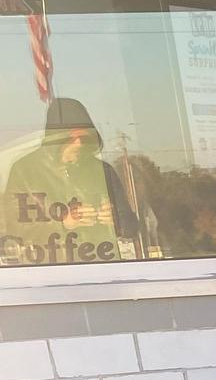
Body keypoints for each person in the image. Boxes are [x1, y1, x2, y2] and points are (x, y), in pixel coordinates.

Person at [0, 97, 142, 266]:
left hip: (101, 271)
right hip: (49, 274)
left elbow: (133, 227)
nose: (79, 143)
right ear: (56, 138)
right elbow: (10, 230)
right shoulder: (25, 170)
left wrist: (117, 221)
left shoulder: (103, 171)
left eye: (85, 136)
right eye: (72, 136)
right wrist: (63, 223)